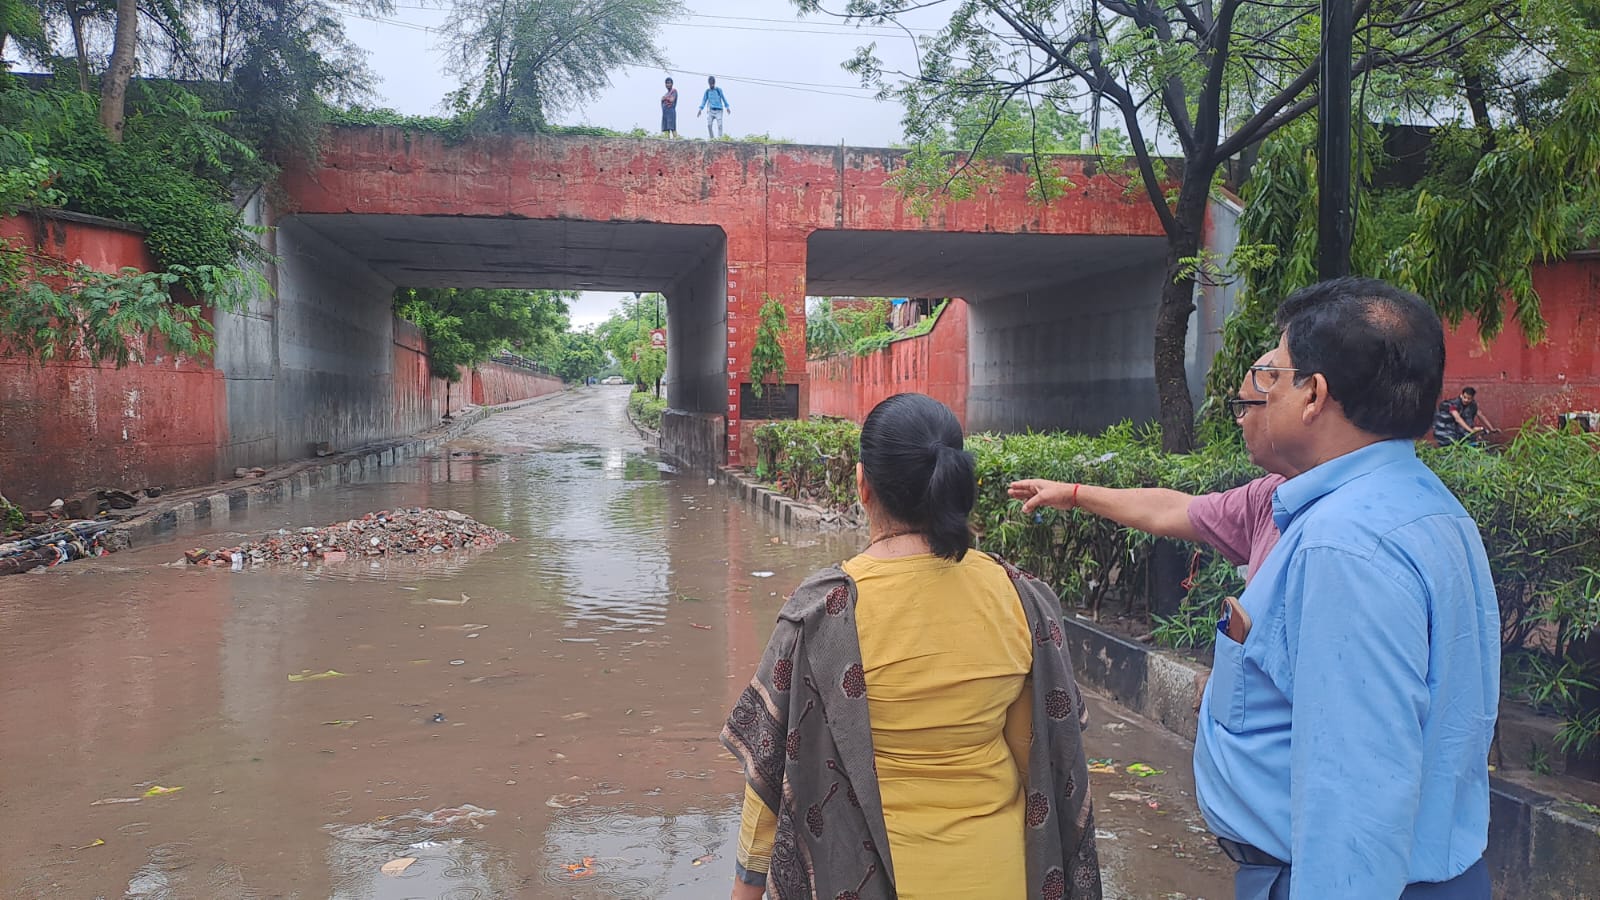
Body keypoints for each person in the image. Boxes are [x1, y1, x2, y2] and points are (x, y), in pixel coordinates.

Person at [722, 393, 1102, 900]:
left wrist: (746, 890)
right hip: (996, 875)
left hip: (859, 879)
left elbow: (772, 778)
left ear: (863, 485)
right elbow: (1038, 756)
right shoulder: (1020, 598)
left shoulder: (821, 613)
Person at [1193, 277, 1499, 899]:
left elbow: (1354, 797)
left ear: (1314, 395)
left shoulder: (1346, 544)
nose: (1256, 394)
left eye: (1272, 376)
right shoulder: (1427, 507)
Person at [1008, 350, 1288, 585]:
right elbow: (1169, 510)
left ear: (1312, 397)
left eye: (1246, 406)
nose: (1239, 420)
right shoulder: (1269, 496)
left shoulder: (1324, 531)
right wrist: (1073, 494)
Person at [1432, 385, 1499, 446]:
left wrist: (1491, 428)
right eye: (1464, 397)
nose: (1466, 400)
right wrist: (1471, 431)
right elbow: (1458, 419)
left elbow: (1480, 415)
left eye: (1469, 398)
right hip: (1444, 430)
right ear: (1461, 395)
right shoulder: (1453, 404)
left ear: (1472, 398)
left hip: (1455, 430)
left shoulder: (1472, 405)